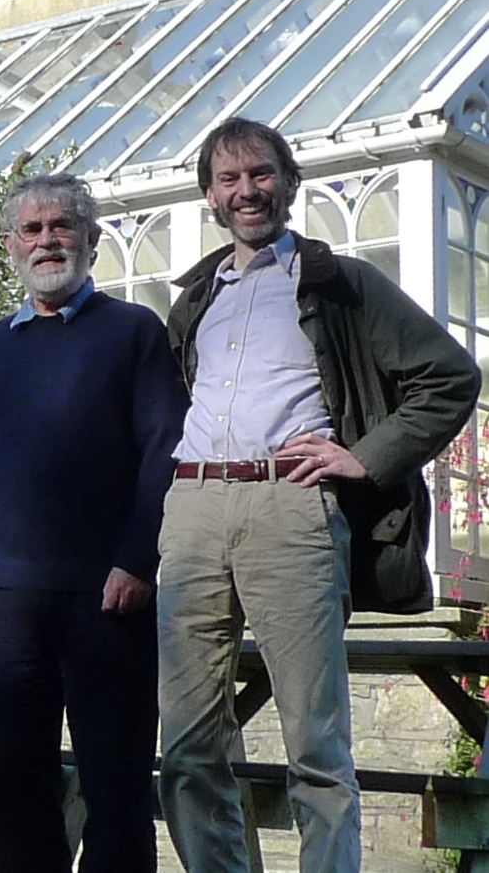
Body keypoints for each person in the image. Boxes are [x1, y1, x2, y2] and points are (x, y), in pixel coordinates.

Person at [157, 119, 480, 873]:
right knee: (187, 745)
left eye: (261, 174)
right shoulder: (196, 299)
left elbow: (450, 377)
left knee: (315, 742)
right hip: (192, 511)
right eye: (229, 179)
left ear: (290, 184)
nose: (247, 191)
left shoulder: (341, 284)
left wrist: (362, 459)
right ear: (210, 196)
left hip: (290, 509)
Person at [0, 172, 187, 873]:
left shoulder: (134, 331)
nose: (47, 241)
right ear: (11, 245)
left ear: (91, 238)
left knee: (116, 788)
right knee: (10, 785)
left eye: (62, 226)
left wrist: (138, 559)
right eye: (32, 229)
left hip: (106, 597)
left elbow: (165, 449)